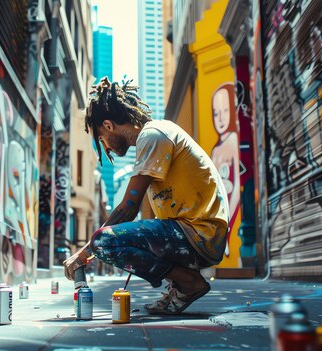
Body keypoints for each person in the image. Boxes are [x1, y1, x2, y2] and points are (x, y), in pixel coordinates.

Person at [63, 77, 229, 315]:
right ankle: (179, 285)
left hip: (199, 234)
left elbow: (128, 208)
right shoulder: (153, 138)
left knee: (104, 241)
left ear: (109, 126)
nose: (106, 148)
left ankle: (189, 283)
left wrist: (86, 250)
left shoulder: (153, 136)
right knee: (128, 234)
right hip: (197, 233)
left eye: (102, 140)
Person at [211, 84, 240, 258]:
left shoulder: (233, 140)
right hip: (218, 207)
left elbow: (237, 182)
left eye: (225, 111)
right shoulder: (215, 150)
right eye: (216, 113)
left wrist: (227, 213)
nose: (220, 118)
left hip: (230, 205)